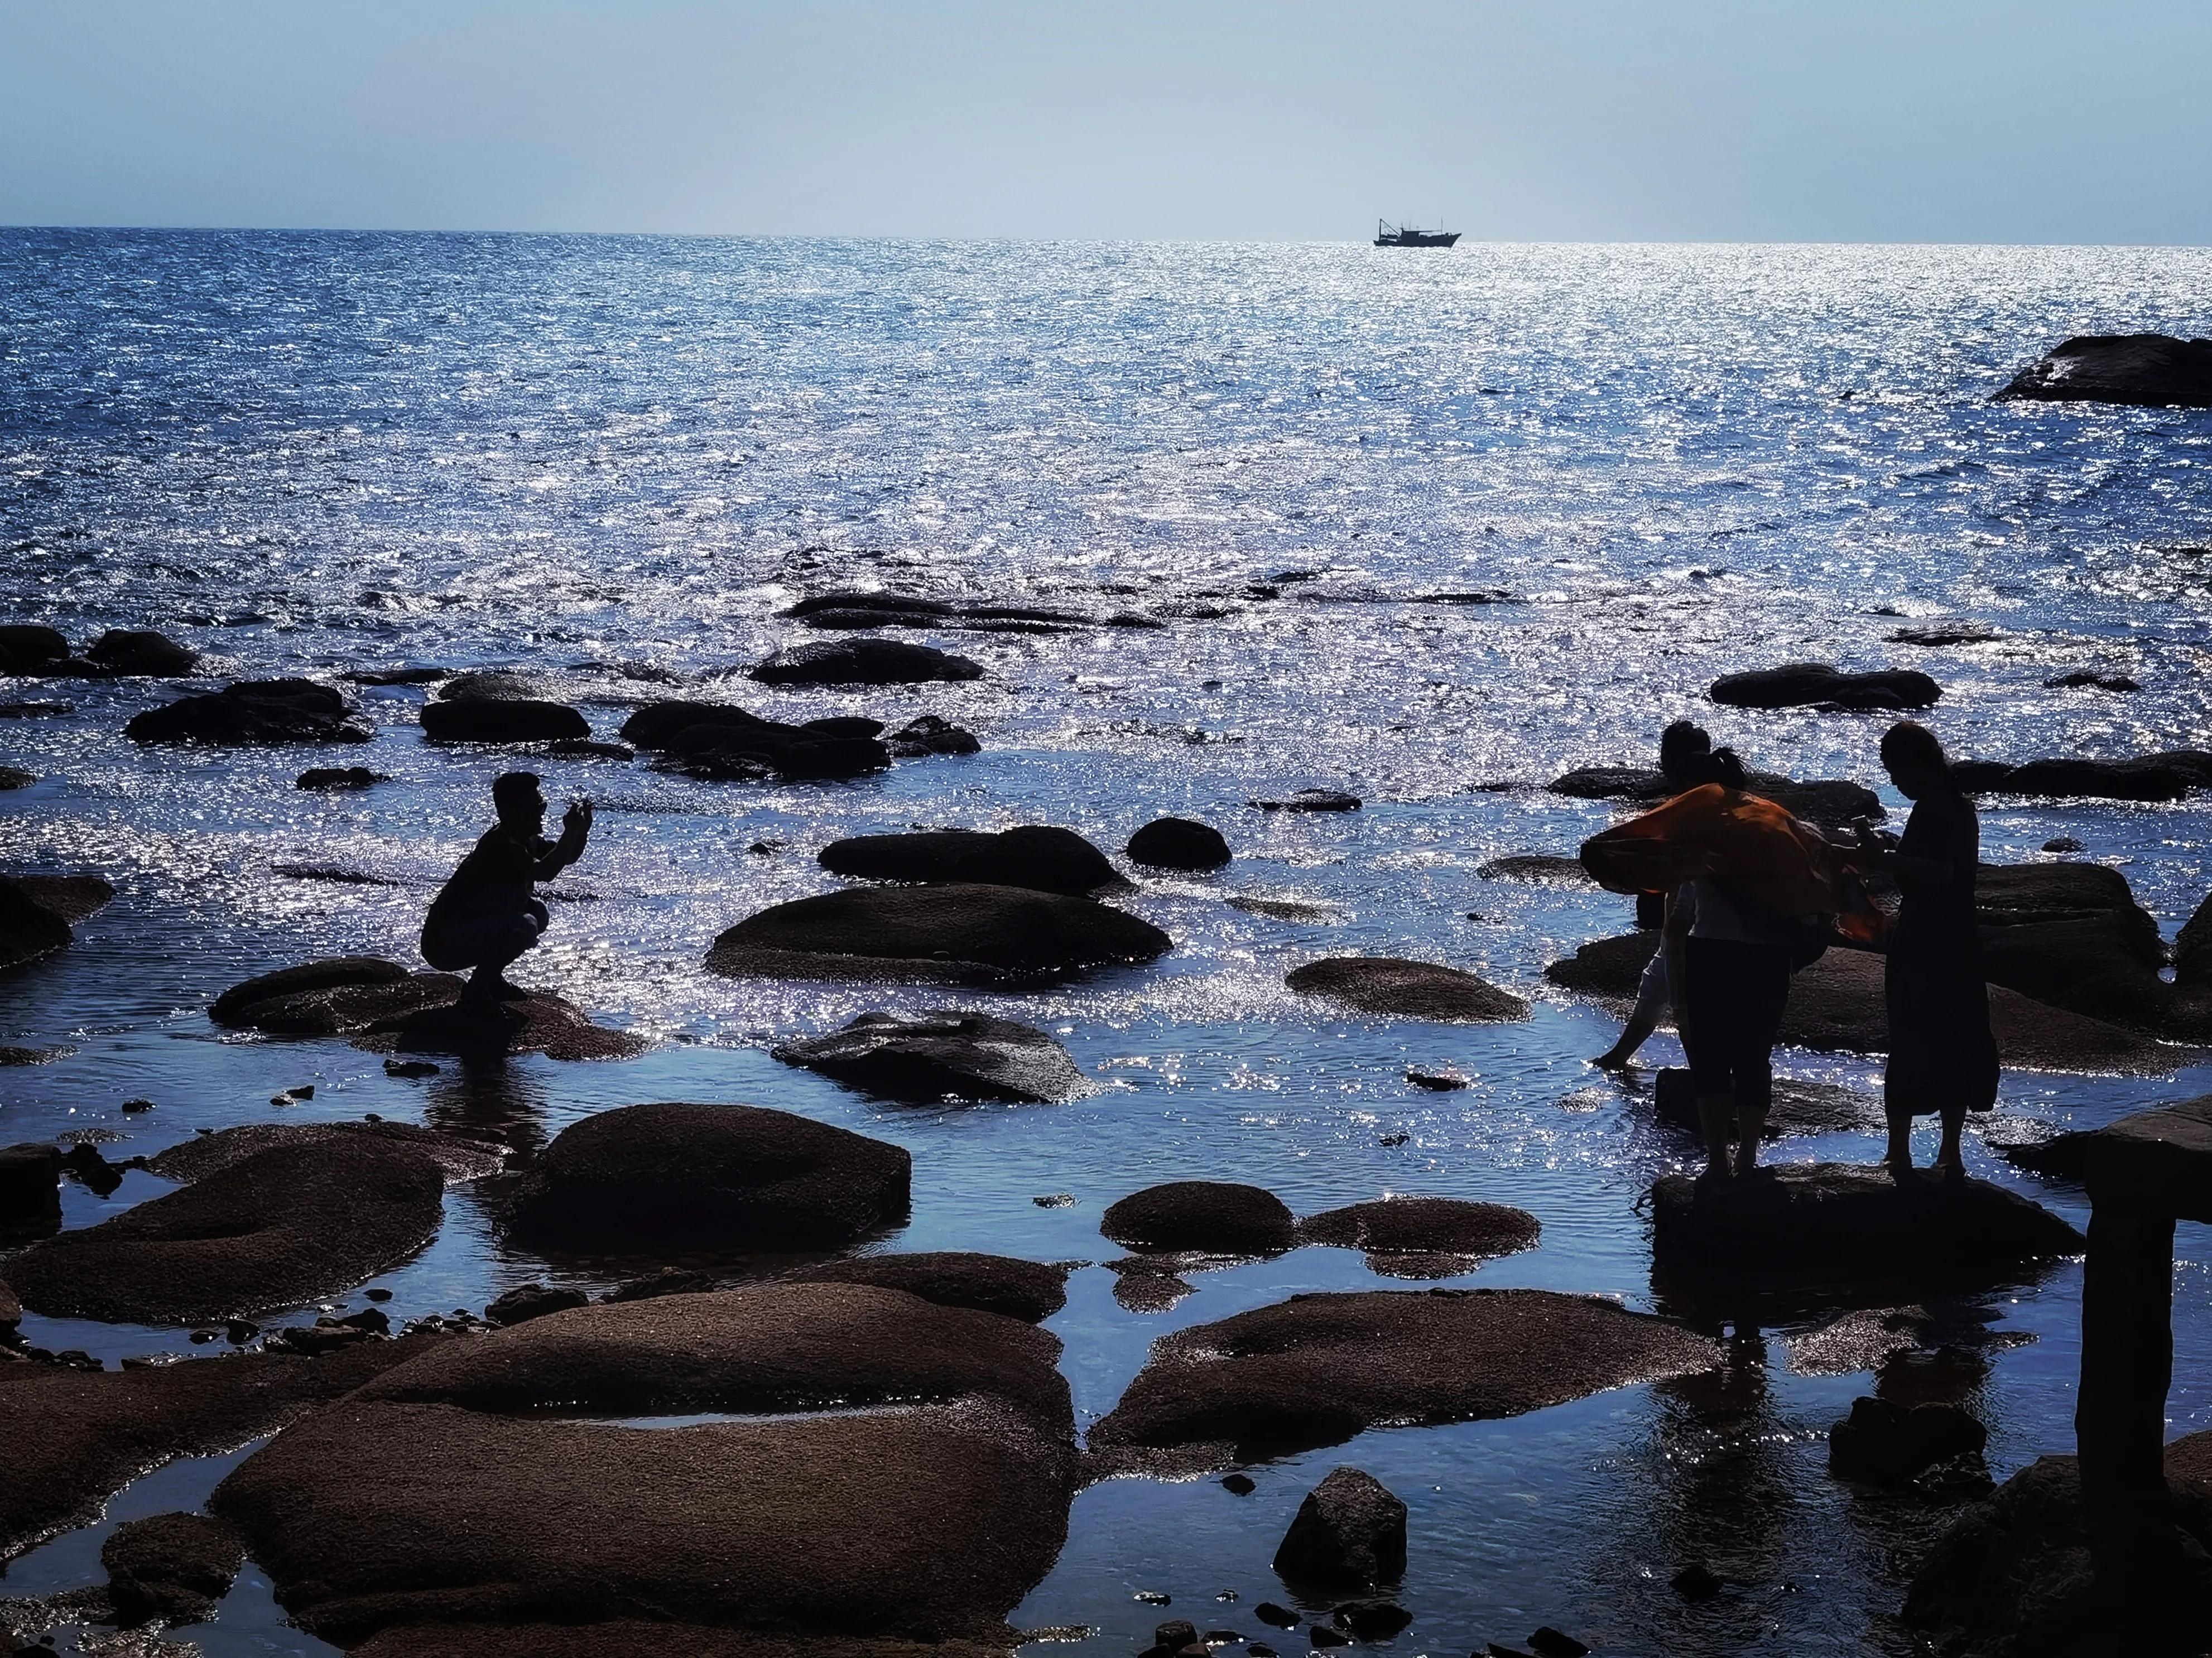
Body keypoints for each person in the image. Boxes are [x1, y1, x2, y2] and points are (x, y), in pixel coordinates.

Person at [1847, 721, 1997, 1181]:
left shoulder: (1942, 808)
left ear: (1916, 763)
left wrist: (1883, 860)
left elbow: (1945, 873)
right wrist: (1888, 855)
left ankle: (1903, 1152)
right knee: (1957, 1036)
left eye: (1895, 770)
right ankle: (1947, 1152)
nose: (1893, 781)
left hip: (1929, 938)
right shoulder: (1952, 806)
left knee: (1913, 1035)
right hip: (1955, 938)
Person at [1660, 745, 1797, 1181]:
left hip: (1714, 954)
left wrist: (1678, 997)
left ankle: (1718, 1160)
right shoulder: (1772, 822)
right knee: (1755, 1058)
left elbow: (1681, 919)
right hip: (1769, 957)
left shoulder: (1699, 831)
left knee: (1711, 1061)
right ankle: (1749, 1158)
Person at [1595, 720, 1714, 1068]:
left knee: (1680, 995)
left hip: (1695, 904)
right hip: (1702, 901)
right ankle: (1619, 1056)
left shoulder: (1684, 808)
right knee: (1659, 981)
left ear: (1666, 761)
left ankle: (1703, 1075)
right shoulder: (1719, 800)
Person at [421, 772, 592, 1010]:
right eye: (536, 808)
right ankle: (476, 992)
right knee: (526, 925)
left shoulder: (525, 839)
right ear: (513, 813)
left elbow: (566, 857)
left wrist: (581, 831)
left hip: (472, 927)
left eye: (542, 806)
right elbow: (547, 872)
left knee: (537, 912)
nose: (542, 814)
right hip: (443, 943)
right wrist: (570, 832)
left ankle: (491, 980)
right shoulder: (501, 846)